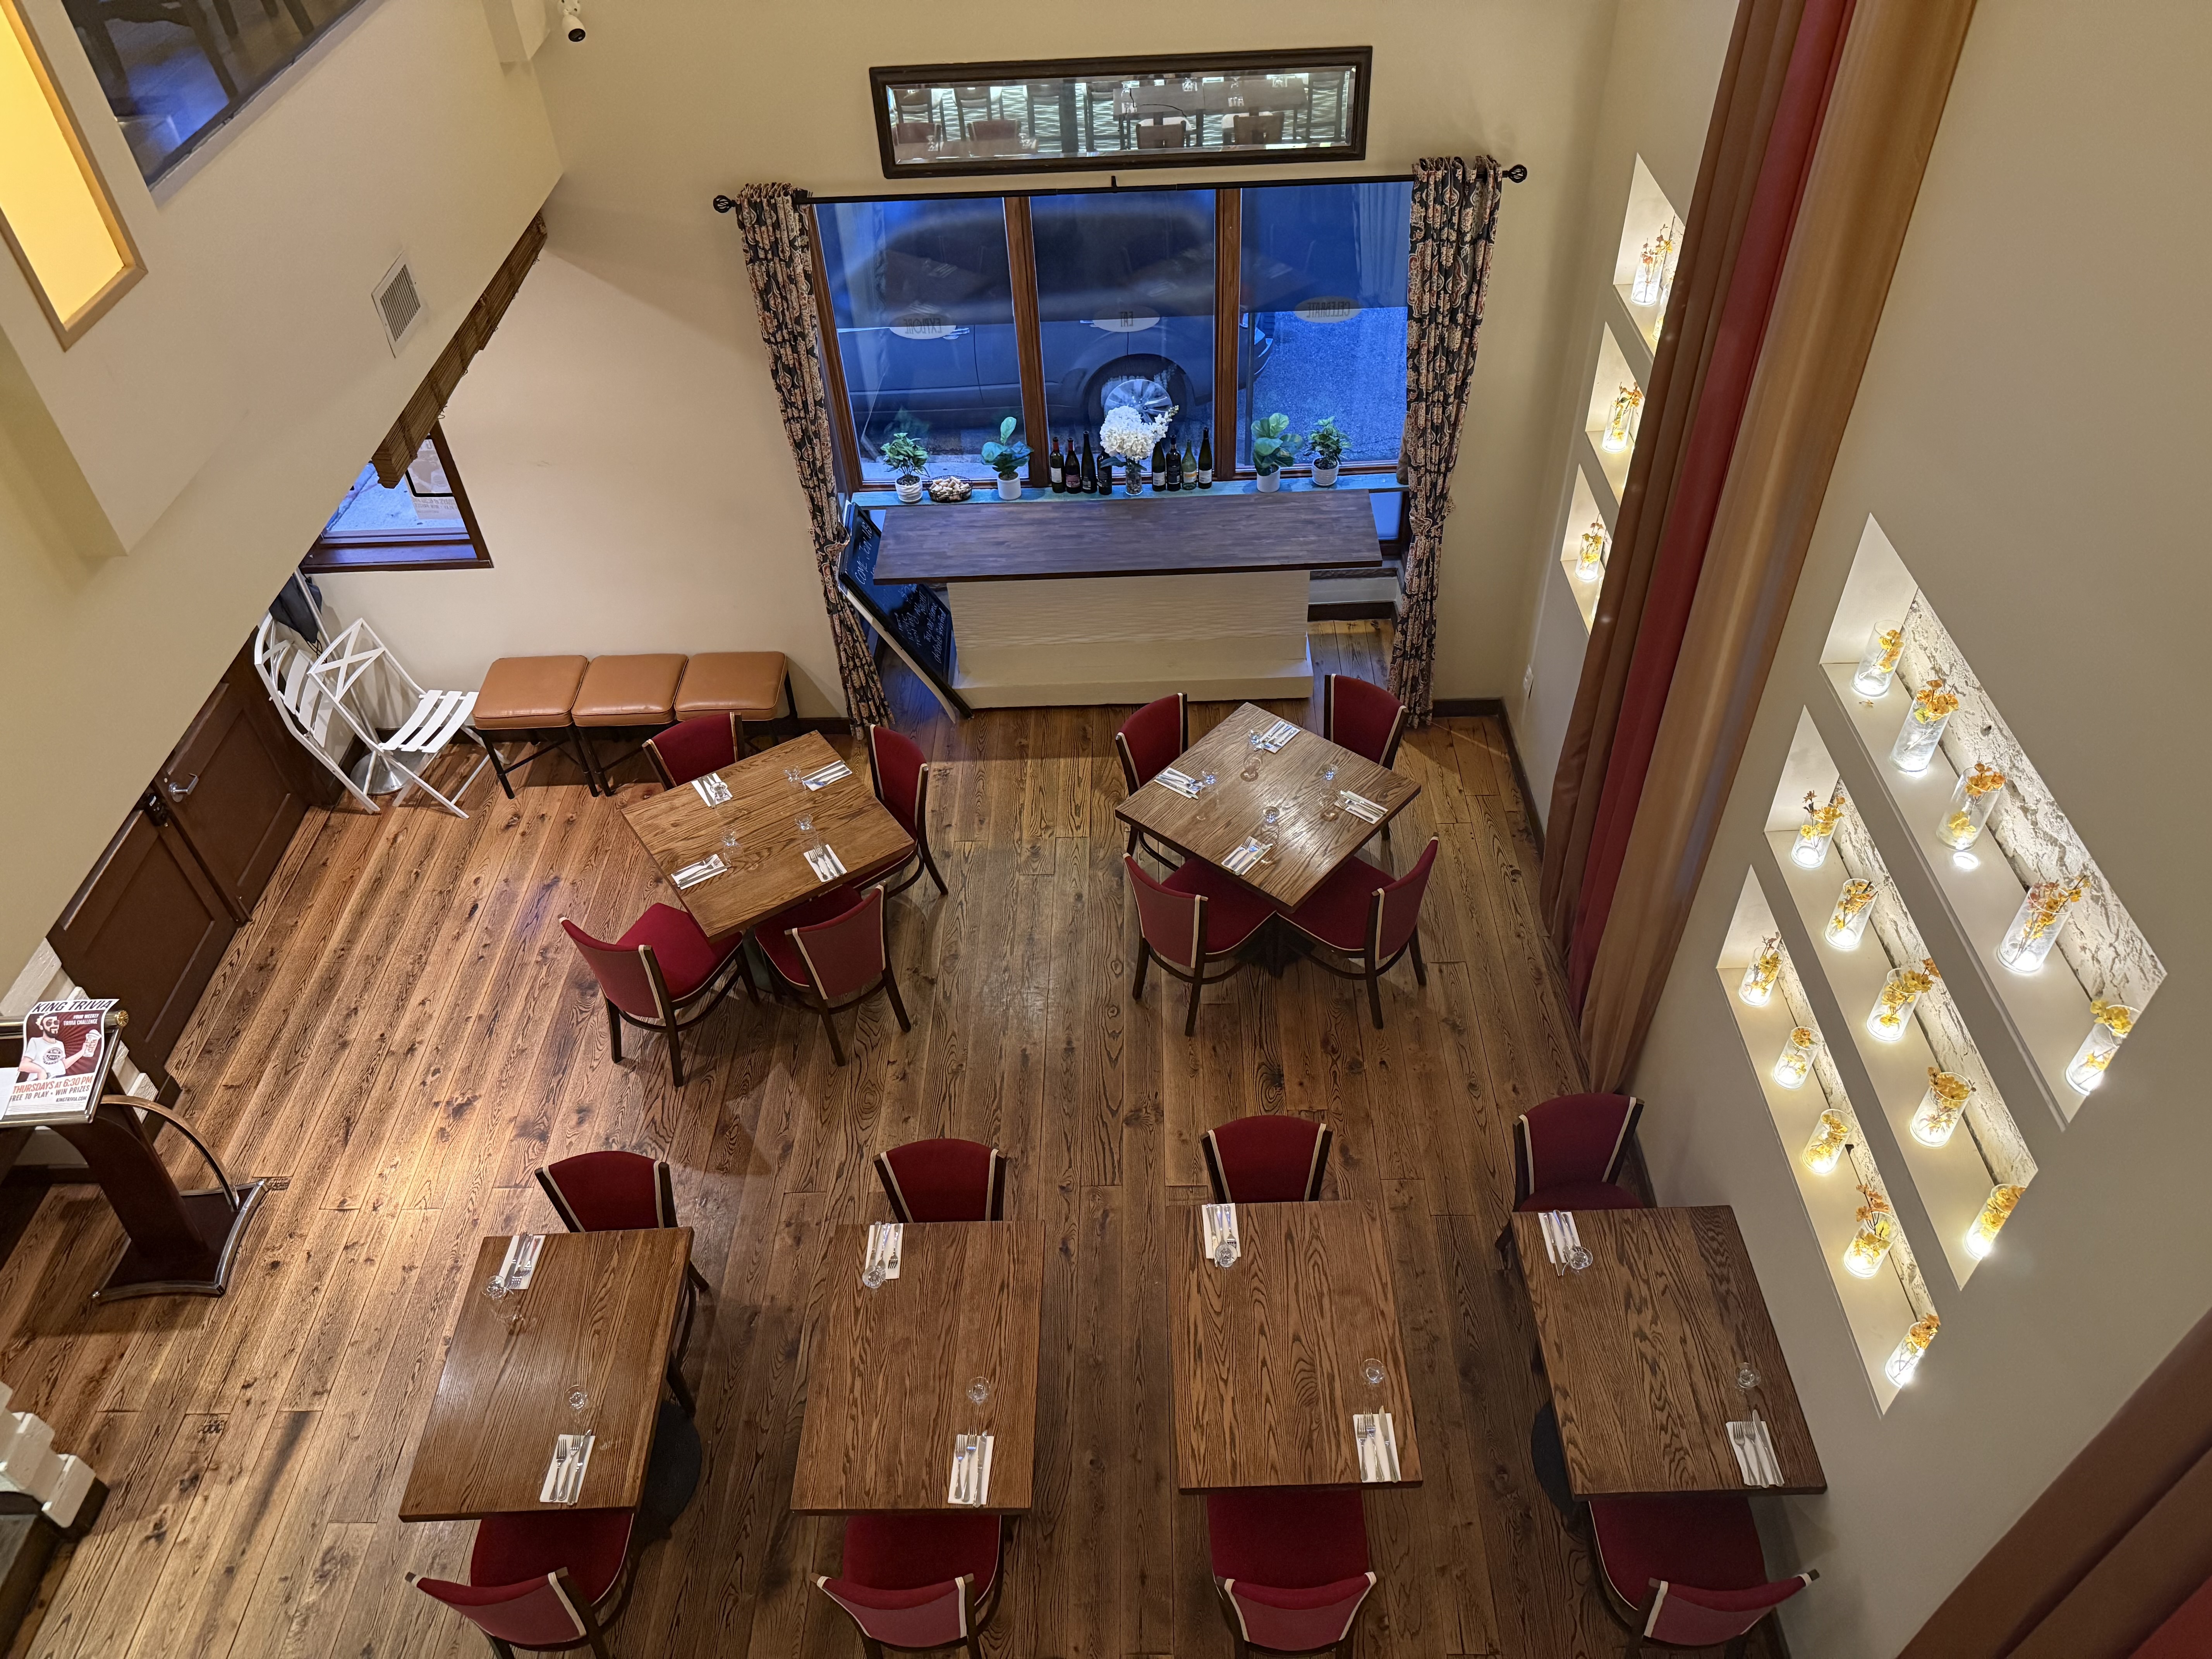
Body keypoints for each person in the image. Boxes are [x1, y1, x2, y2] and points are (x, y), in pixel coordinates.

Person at [15, 1011, 100, 1082]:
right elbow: (23, 1065)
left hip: (58, 1080)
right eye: (49, 1023)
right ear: (41, 1027)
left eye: (56, 1023)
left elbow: (64, 1065)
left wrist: (82, 1052)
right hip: (40, 1081)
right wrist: (40, 1070)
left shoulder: (60, 1044)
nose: (54, 1025)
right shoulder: (35, 1042)